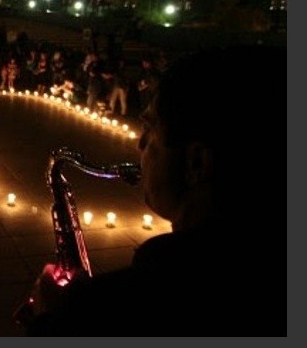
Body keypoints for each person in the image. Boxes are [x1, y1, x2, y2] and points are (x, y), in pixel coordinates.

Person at [26, 46, 285, 336]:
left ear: (197, 163)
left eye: (150, 129)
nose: (140, 145)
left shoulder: (136, 301)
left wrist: (51, 319)